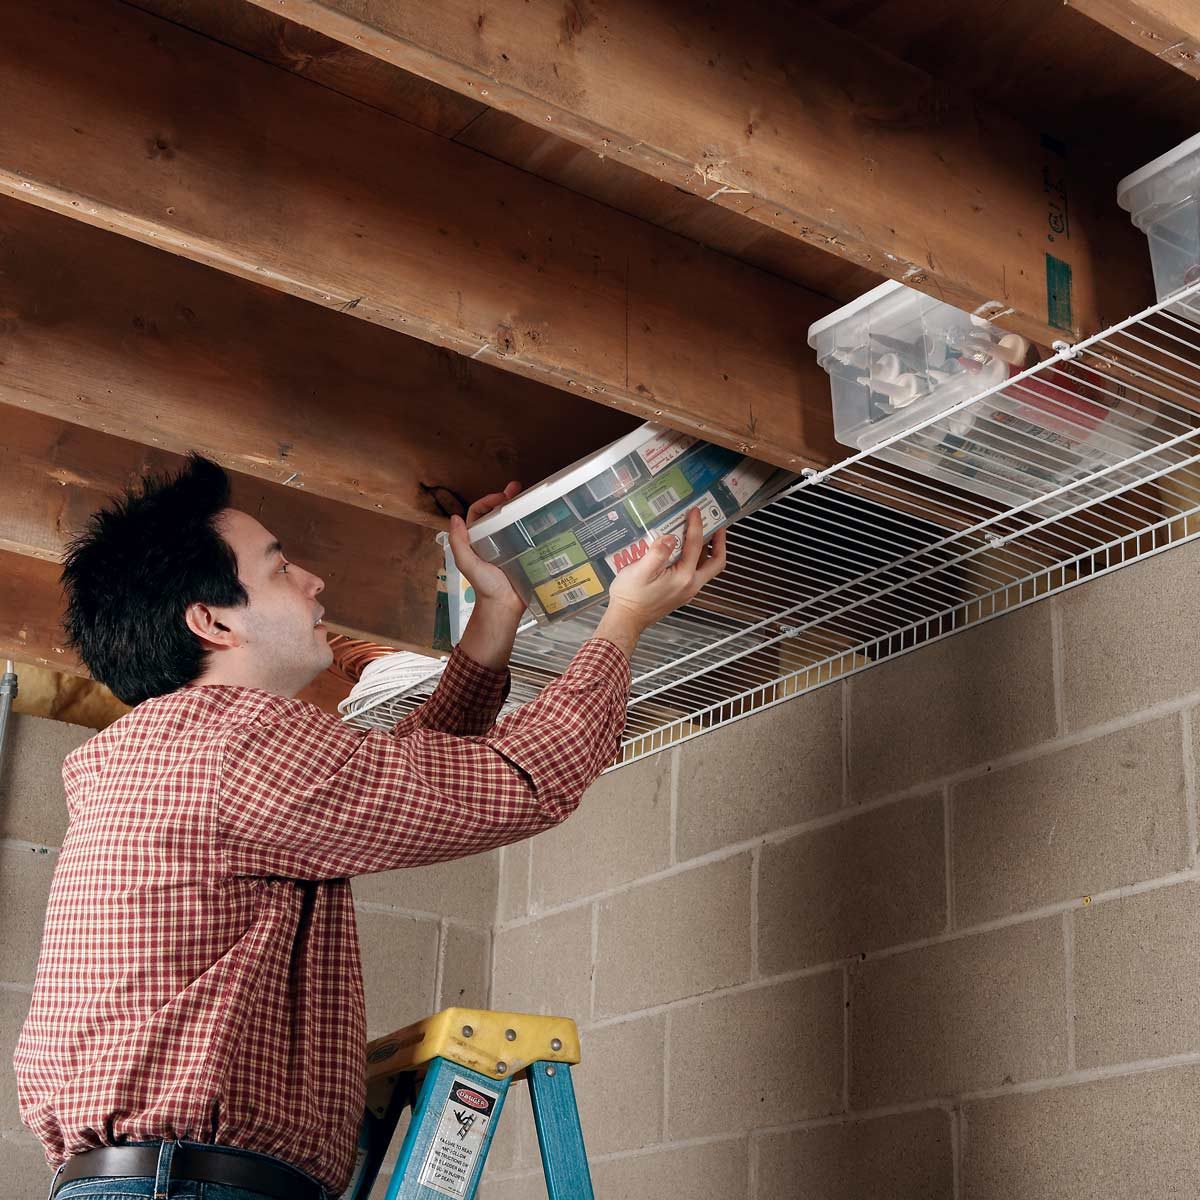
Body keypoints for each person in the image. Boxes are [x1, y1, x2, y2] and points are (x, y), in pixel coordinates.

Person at [13, 452, 726, 1200]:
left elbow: (402, 779)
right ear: (212, 620)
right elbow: (521, 783)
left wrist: (496, 607)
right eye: (280, 568)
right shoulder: (235, 747)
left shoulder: (180, 753)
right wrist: (626, 620)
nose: (313, 582)